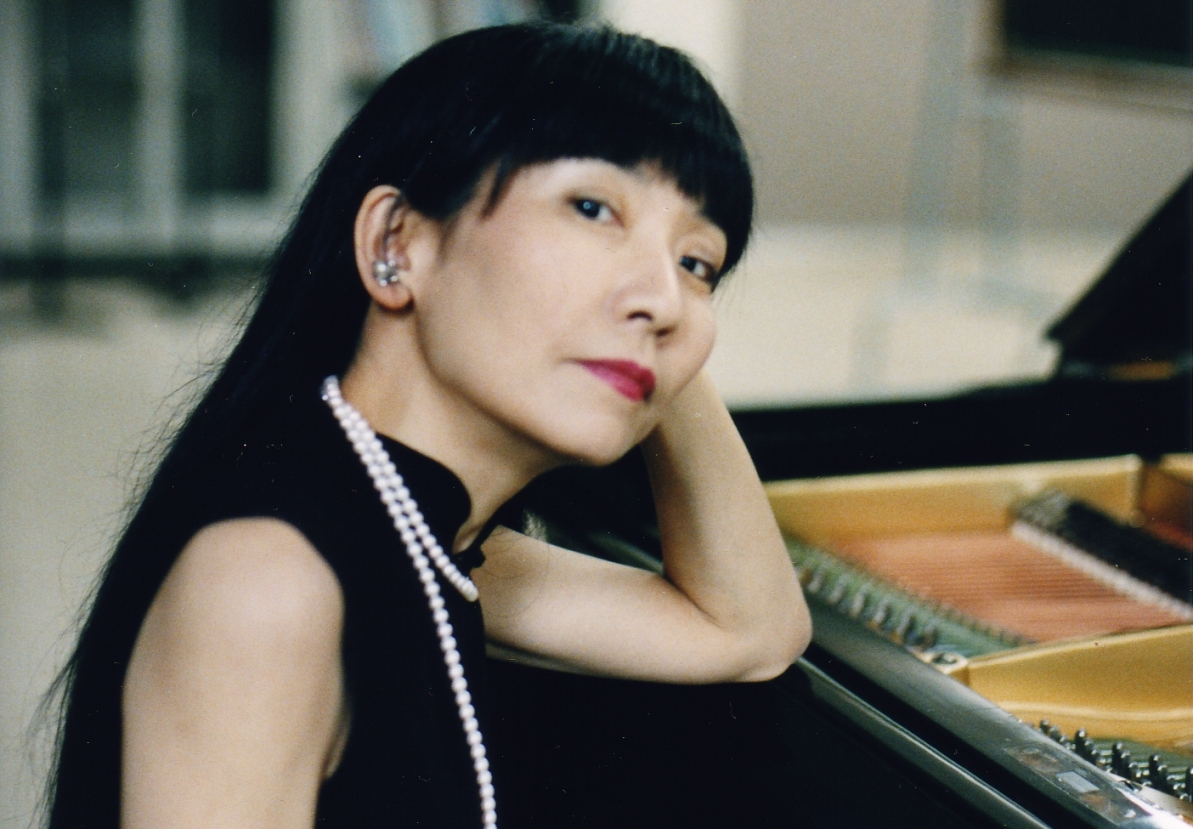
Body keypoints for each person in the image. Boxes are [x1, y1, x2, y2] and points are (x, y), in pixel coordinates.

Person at [44, 23, 810, 829]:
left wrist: (641, 337)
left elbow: (748, 630)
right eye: (592, 207)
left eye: (701, 265)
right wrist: (639, 311)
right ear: (395, 242)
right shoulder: (271, 576)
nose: (661, 297)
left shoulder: (428, 541)